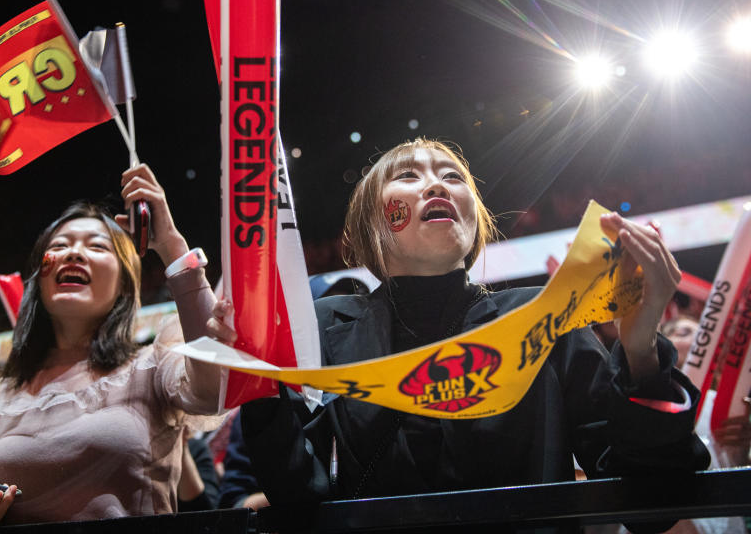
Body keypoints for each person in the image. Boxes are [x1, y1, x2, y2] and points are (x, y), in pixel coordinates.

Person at [240, 137, 709, 512]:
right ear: (370, 226)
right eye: (408, 176)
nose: (437, 186)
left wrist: (641, 349)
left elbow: (648, 500)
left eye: (452, 177)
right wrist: (255, 380)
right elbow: (299, 493)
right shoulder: (323, 329)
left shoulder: (543, 321)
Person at [0, 165, 225, 526]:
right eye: (58, 246)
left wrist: (170, 244)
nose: (74, 253)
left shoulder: (152, 369)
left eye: (96, 246)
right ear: (37, 282)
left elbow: (218, 388)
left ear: (124, 285)